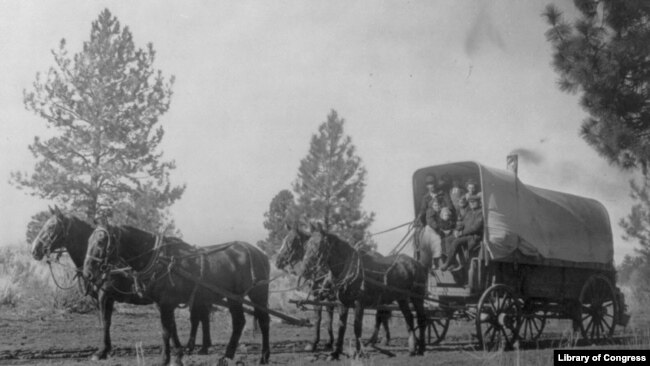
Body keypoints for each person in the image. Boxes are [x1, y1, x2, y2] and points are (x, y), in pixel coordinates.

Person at [440, 194, 484, 271]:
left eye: (474, 202)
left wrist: (461, 233)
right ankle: (453, 262)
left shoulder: (481, 213)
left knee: (456, 241)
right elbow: (462, 223)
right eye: (470, 202)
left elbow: (475, 228)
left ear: (479, 202)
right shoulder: (469, 212)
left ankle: (447, 263)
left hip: (473, 236)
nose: (472, 204)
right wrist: (457, 230)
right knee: (447, 240)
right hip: (465, 235)